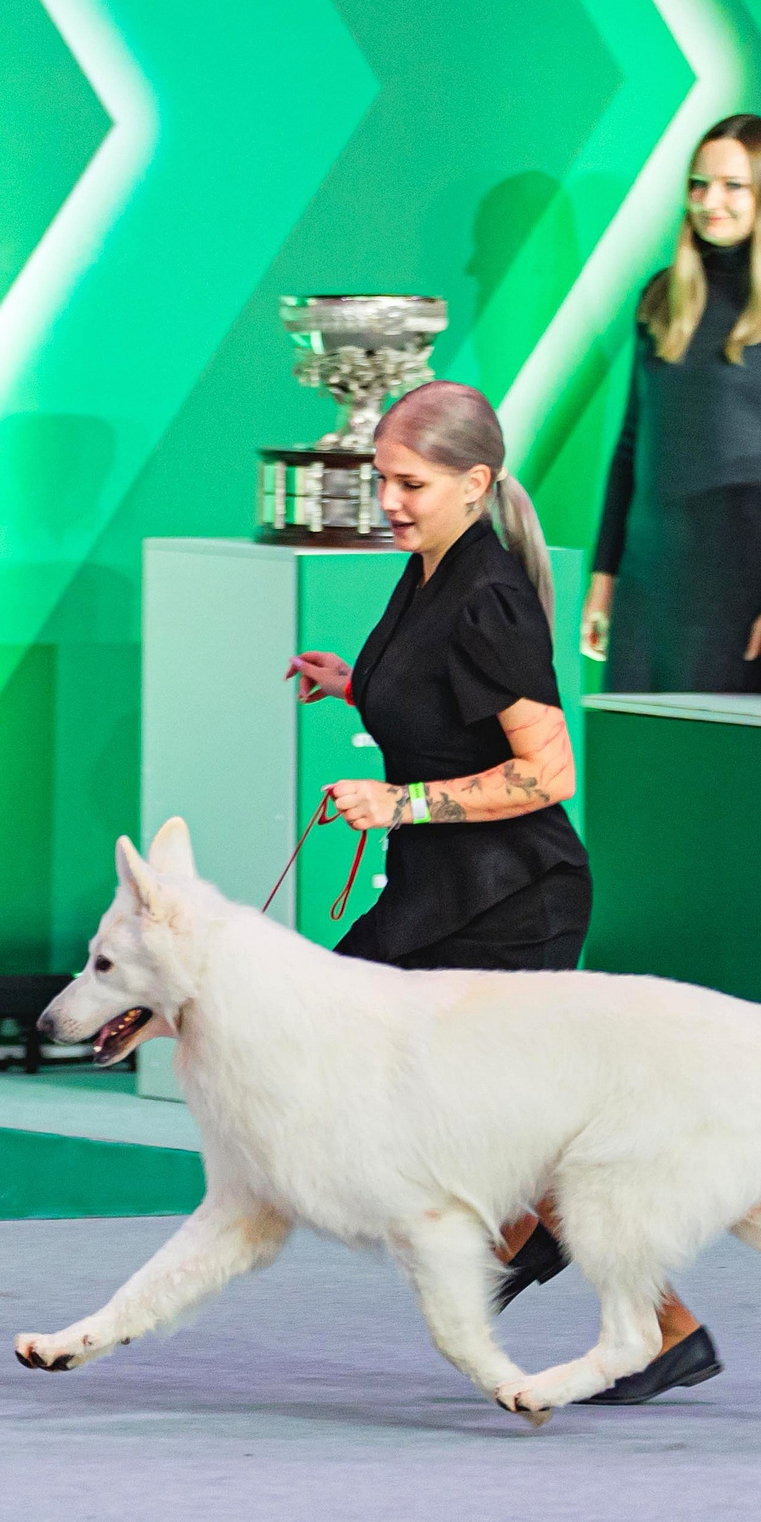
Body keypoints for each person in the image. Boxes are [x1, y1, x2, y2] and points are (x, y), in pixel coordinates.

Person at [283, 379, 720, 1405]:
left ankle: (591, 1275)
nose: (388, 498)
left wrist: (402, 801)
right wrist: (359, 682)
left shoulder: (486, 593)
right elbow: (453, 696)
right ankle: (553, 1250)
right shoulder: (432, 568)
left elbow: (549, 772)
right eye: (380, 478)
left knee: (475, 1109)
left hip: (512, 899)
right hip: (449, 891)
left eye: (409, 482)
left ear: (474, 484)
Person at [583, 113, 761, 696]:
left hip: (745, 596)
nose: (710, 202)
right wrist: (605, 577)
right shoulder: (661, 297)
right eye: (699, 184)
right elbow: (631, 448)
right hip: (647, 590)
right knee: (639, 767)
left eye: (733, 186)